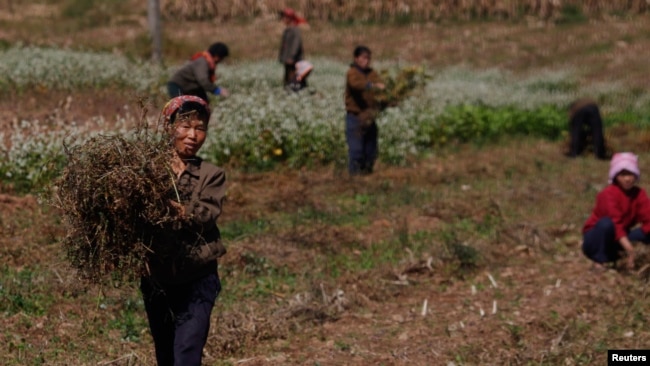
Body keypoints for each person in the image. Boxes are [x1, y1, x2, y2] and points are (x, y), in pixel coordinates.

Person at [140, 95, 227, 366]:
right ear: (168, 128)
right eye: (185, 126)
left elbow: (205, 214)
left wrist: (170, 207)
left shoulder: (211, 174)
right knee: (165, 352)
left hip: (197, 276)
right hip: (157, 276)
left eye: (200, 128)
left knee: (187, 351)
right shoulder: (147, 171)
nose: (192, 135)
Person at [582, 152, 650, 272]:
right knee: (607, 224)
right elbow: (616, 223)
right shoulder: (608, 194)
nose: (627, 179)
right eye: (622, 175)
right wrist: (630, 250)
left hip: (619, 238)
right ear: (615, 176)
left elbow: (648, 216)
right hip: (597, 239)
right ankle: (599, 261)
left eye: (630, 174)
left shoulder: (639, 194)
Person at [344, 45, 385, 175]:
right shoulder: (352, 73)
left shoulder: (372, 73)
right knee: (356, 151)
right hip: (355, 116)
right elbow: (356, 85)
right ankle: (354, 179)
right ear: (356, 59)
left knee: (370, 150)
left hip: (369, 116)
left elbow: (381, 86)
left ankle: (366, 176)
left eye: (368, 58)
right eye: (363, 58)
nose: (366, 61)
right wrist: (371, 86)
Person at [278, 8, 307, 91]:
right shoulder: (287, 30)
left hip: (294, 60)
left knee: (294, 79)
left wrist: (291, 57)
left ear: (289, 18)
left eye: (284, 17)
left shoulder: (295, 30)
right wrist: (282, 57)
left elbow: (296, 44)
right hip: (288, 60)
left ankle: (298, 93)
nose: (283, 19)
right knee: (288, 79)